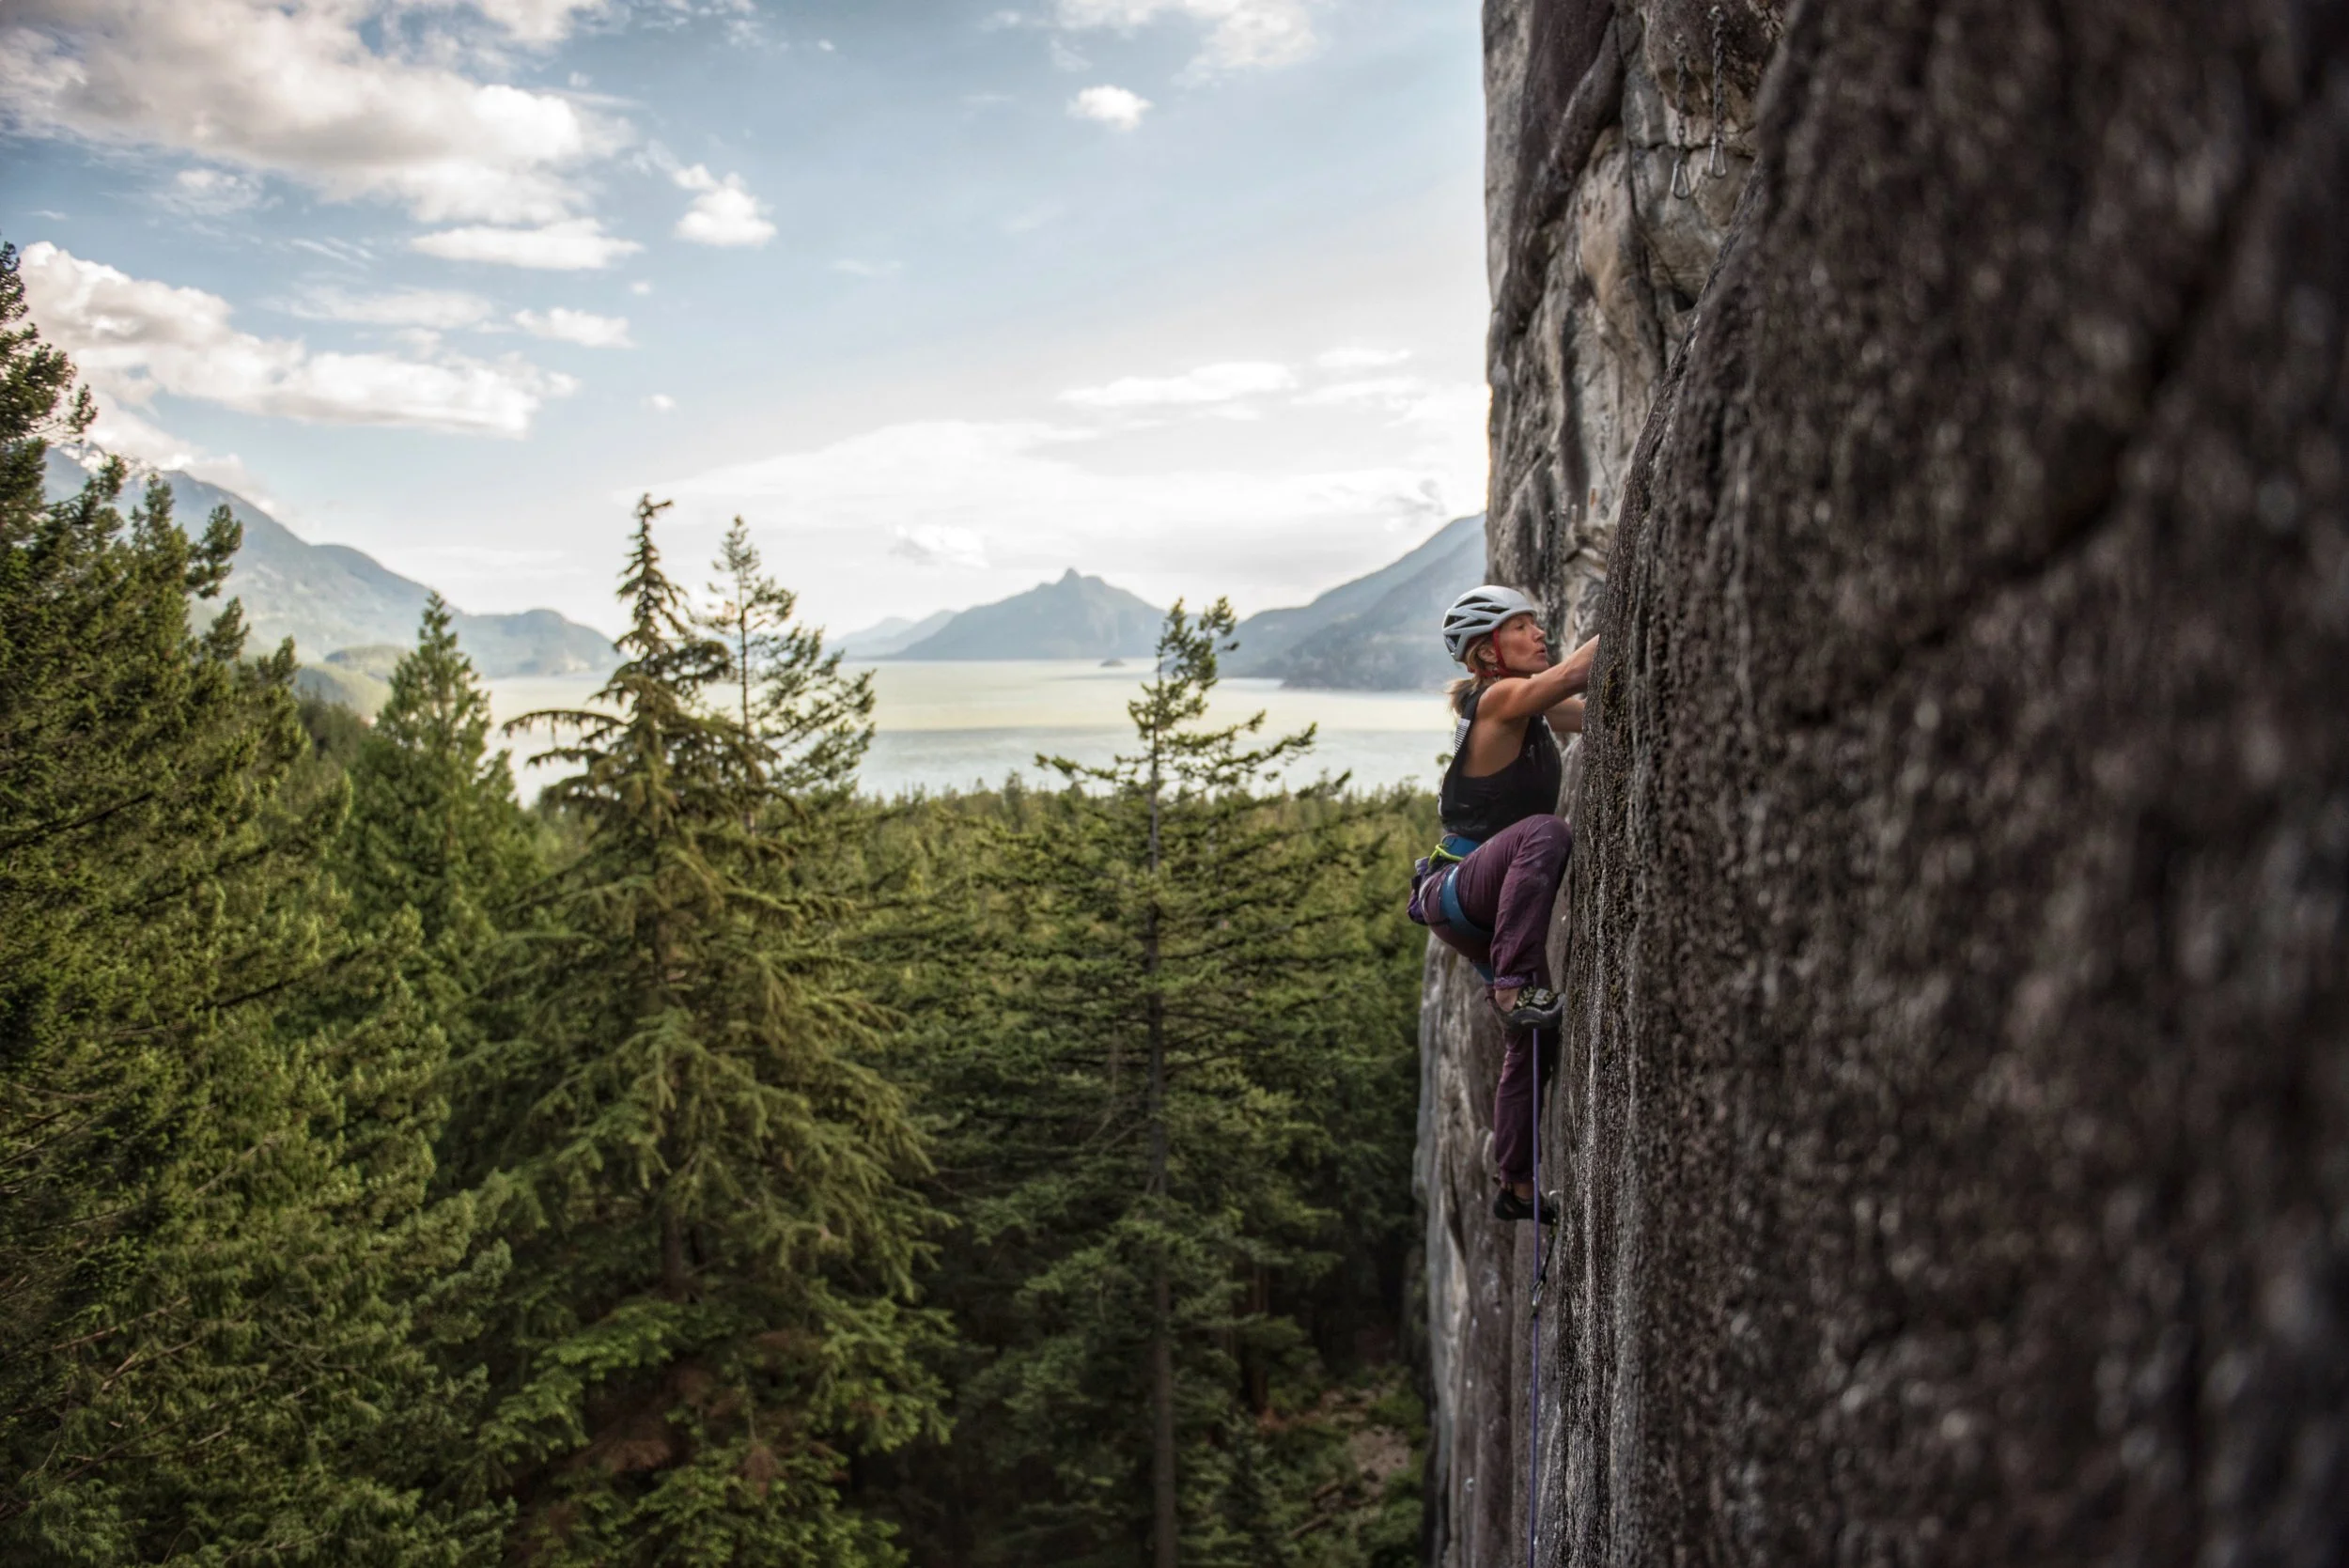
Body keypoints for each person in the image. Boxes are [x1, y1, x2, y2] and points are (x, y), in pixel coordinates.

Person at [1407, 584, 1596, 1223]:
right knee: (1547, 831)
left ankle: (1516, 1185)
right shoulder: (1499, 699)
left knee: (1535, 1042)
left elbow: (1587, 704)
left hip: (1472, 898)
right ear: (1487, 654)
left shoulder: (1528, 708)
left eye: (1536, 624)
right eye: (1521, 627)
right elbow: (1577, 672)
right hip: (1461, 887)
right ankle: (1514, 987)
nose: (1538, 634)